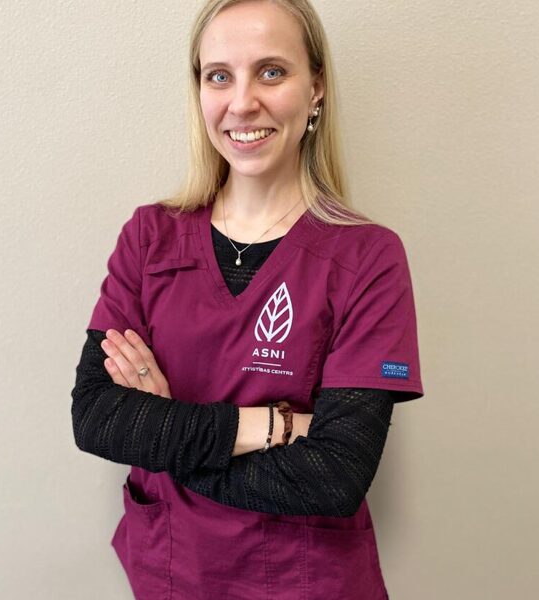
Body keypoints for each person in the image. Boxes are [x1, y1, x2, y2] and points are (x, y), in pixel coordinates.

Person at [71, 0, 424, 598]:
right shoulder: (150, 237)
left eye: (271, 72)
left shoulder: (368, 257)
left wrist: (165, 431)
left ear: (316, 88)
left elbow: (334, 474)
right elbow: (97, 417)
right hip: (170, 573)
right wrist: (273, 425)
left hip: (305, 583)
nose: (241, 103)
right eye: (219, 76)